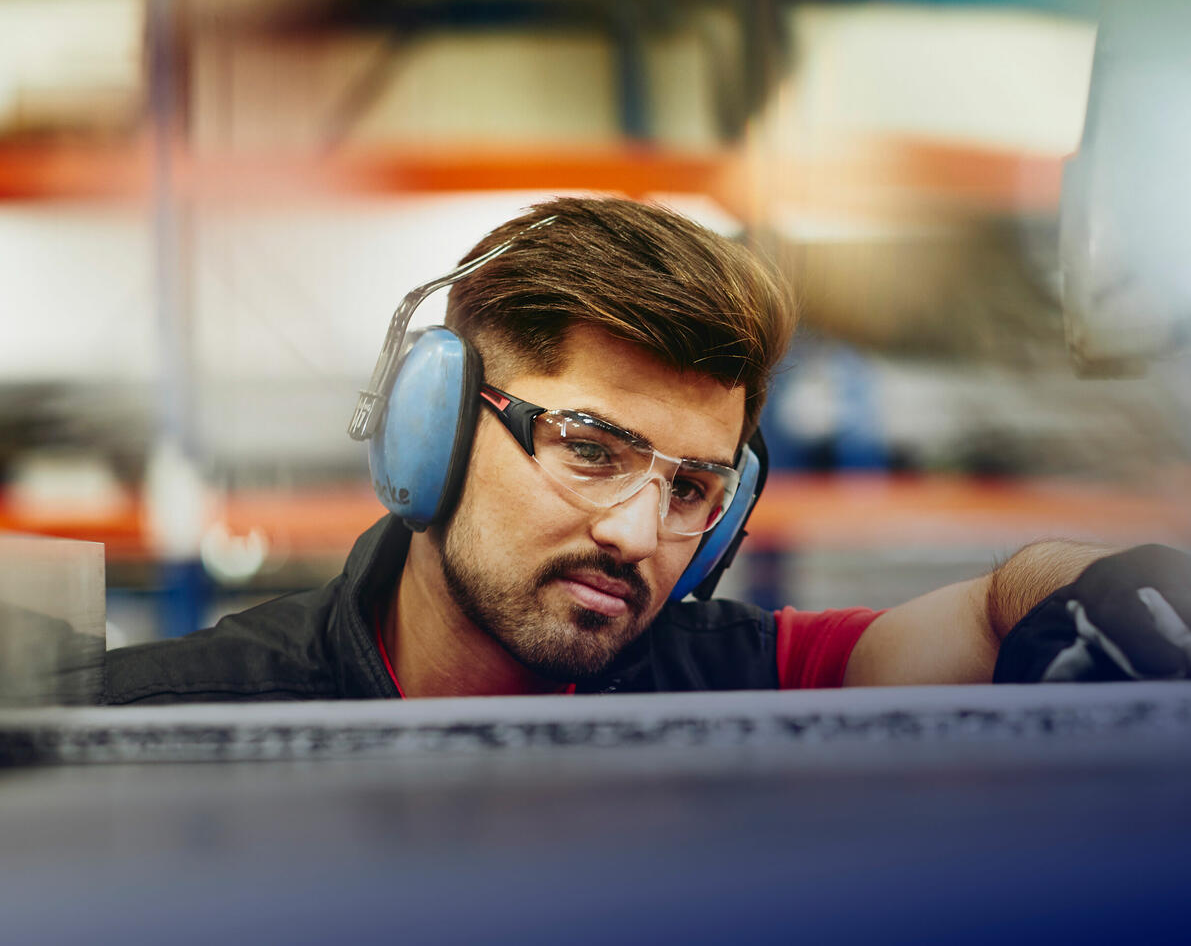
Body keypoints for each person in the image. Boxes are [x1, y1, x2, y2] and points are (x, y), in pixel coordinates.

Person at [103, 197, 1191, 703]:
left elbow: (1000, 605)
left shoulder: (712, 681)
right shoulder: (166, 727)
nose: (637, 534)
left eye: (692, 487)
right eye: (588, 446)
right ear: (429, 423)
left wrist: (1115, 585)